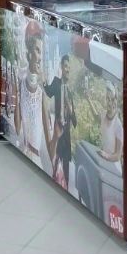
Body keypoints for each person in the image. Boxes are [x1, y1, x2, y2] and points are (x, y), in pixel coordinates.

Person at [13, 22, 52, 174]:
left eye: (41, 52)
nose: (40, 57)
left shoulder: (41, 92)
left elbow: (48, 135)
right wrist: (17, 97)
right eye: (37, 50)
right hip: (25, 153)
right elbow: (17, 128)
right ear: (29, 53)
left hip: (35, 159)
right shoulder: (22, 83)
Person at [44, 54, 77, 189]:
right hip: (58, 132)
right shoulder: (57, 82)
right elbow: (48, 92)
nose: (67, 69)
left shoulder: (70, 92)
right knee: (55, 166)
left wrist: (71, 109)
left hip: (66, 137)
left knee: (66, 173)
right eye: (65, 66)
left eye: (69, 67)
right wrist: (44, 81)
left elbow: (75, 122)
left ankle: (66, 189)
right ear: (61, 67)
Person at [88, 79, 124, 164]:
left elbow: (118, 156)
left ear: (115, 101)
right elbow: (96, 117)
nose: (109, 102)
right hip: (103, 161)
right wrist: (88, 99)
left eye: (112, 99)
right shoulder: (103, 115)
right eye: (107, 98)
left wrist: (106, 156)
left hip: (113, 166)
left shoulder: (118, 126)